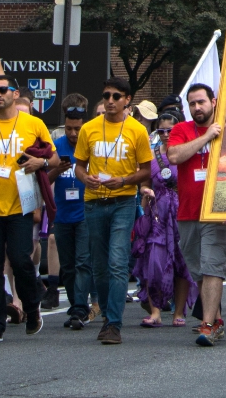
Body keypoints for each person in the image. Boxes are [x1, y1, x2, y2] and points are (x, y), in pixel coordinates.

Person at [73, 77, 151, 345]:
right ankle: (107, 314)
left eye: (116, 96)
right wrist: (86, 179)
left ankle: (114, 324)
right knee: (99, 265)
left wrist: (125, 180)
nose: (109, 101)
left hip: (122, 202)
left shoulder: (137, 130)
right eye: (106, 96)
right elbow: (79, 165)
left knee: (117, 262)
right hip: (94, 201)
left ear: (127, 100)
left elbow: (146, 169)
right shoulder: (89, 129)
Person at [0, 75, 58, 343]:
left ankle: (31, 305)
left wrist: (42, 164)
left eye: (3, 90)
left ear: (15, 94)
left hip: (21, 206)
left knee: (19, 259)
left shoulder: (33, 123)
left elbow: (55, 159)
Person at [167, 84, 226, 346]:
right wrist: (206, 136)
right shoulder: (181, 130)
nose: (197, 108)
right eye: (192, 103)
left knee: (212, 266)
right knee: (198, 269)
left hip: (219, 215)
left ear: (213, 101)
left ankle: (207, 326)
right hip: (188, 213)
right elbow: (174, 156)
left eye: (201, 102)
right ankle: (216, 320)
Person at [133, 110, 197, 328]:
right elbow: (145, 184)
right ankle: (155, 311)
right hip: (157, 215)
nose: (166, 134)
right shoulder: (151, 158)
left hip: (182, 213)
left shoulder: (185, 154)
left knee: (181, 262)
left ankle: (178, 312)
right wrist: (144, 194)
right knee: (153, 261)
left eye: (170, 130)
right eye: (161, 130)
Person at [50, 97, 95, 330]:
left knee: (82, 262)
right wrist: (57, 170)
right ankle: (75, 304)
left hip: (85, 213)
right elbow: (44, 180)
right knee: (67, 266)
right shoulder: (56, 146)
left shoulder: (91, 143)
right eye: (69, 128)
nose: (73, 133)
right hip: (62, 215)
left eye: (77, 129)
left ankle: (79, 307)